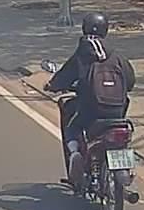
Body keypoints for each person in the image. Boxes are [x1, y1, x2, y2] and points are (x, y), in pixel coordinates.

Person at [44, 12, 136, 182]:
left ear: (84, 28)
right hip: (117, 113)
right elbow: (130, 81)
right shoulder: (117, 56)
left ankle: (75, 153)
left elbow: (64, 77)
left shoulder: (82, 54)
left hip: (91, 111)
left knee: (72, 126)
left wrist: (52, 85)